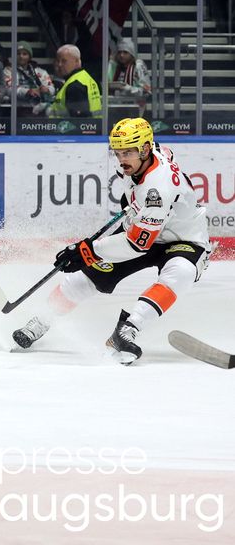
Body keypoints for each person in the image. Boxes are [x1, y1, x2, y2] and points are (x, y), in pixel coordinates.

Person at [13, 118, 211, 365]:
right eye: (118, 152)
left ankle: (128, 329)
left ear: (144, 150)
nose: (121, 159)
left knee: (181, 272)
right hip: (145, 227)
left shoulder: (158, 191)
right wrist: (132, 202)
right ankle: (42, 319)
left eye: (127, 153)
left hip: (184, 239)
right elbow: (165, 153)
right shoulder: (147, 155)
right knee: (87, 277)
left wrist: (87, 251)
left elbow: (136, 245)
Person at [47, 44, 101, 118]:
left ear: (77, 62)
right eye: (58, 61)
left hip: (69, 125)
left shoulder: (75, 85)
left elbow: (79, 119)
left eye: (64, 61)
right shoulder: (85, 77)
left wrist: (47, 111)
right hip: (95, 124)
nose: (59, 65)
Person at [3, 41, 55, 115]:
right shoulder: (8, 71)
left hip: (39, 110)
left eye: (24, 54)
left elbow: (51, 87)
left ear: (29, 57)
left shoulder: (40, 72)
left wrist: (47, 90)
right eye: (18, 54)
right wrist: (27, 92)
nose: (21, 56)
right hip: (17, 110)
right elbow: (8, 89)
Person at [107, 38, 151, 115]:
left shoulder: (138, 66)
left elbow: (146, 91)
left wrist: (129, 89)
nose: (121, 55)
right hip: (115, 107)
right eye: (119, 52)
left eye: (125, 52)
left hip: (135, 107)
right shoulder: (114, 66)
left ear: (131, 53)